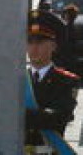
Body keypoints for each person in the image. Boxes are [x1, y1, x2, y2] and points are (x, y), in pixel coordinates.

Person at [24, 11, 79, 151]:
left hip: (48, 150)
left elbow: (58, 118)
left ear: (54, 46)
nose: (34, 48)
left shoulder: (66, 80)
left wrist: (18, 114)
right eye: (30, 42)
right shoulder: (18, 79)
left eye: (40, 42)